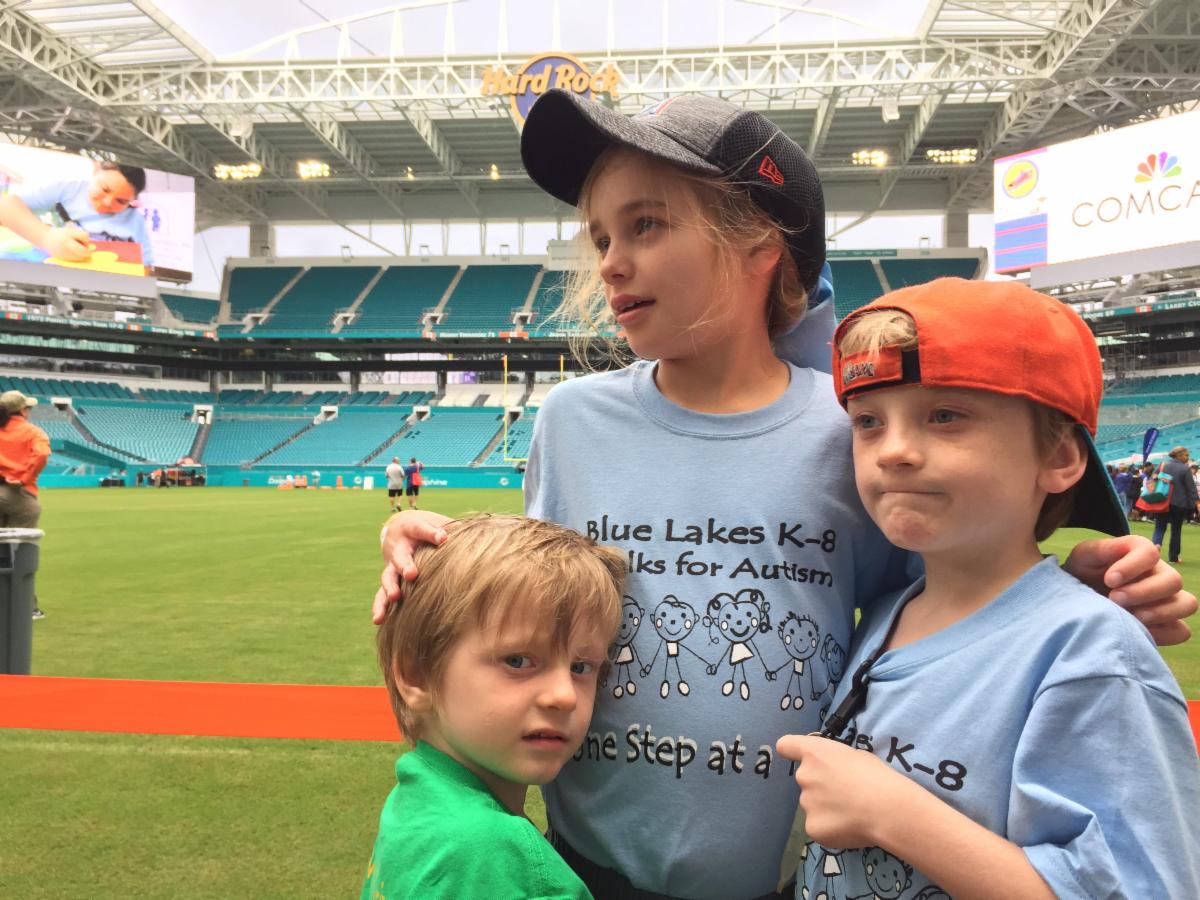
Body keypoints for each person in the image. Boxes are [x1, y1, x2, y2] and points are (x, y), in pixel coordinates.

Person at [375, 90, 1194, 899]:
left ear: (760, 244)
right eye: (602, 237)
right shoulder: (572, 420)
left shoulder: (854, 434)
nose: (611, 261)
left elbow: (952, 602)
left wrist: (1068, 583)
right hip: (589, 869)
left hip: (783, 879)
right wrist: (435, 554)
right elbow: (540, 596)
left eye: (647, 224)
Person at [777, 278, 1200, 898]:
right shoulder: (893, 609)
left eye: (945, 415)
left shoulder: (1090, 652)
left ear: (1058, 458)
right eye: (868, 421)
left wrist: (892, 812)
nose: (892, 450)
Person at [362, 514, 625, 900]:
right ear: (417, 676)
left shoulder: (419, 797)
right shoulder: (495, 856)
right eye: (517, 661)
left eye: (581, 667)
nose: (564, 695)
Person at [0, 159, 155, 271]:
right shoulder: (69, 190)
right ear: (96, 173)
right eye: (105, 190)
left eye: (121, 201)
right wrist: (46, 238)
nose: (108, 202)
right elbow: (5, 206)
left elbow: (146, 265)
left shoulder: (135, 220)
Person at [0, 390, 50, 619]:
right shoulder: (32, 432)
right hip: (19, 495)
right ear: (22, 410)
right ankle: (26, 607)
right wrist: (25, 478)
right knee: (20, 553)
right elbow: (40, 455)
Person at [1148, 446, 1199, 564]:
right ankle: (1173, 557)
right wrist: (1193, 505)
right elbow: (1191, 489)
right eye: (1186, 455)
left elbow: (1152, 479)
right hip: (1179, 503)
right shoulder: (1185, 469)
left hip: (1162, 500)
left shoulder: (1162, 465)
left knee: (1160, 526)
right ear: (1180, 455)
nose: (1188, 457)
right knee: (1176, 530)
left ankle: (1156, 545)